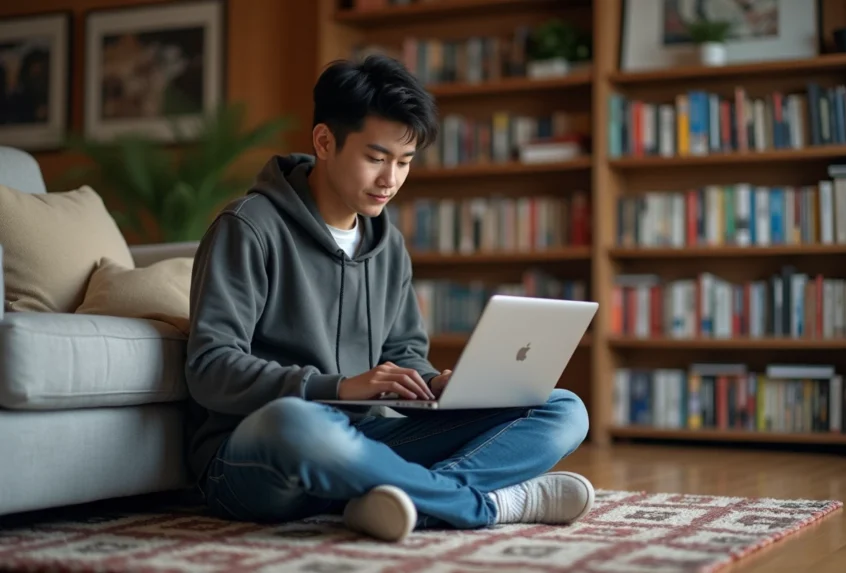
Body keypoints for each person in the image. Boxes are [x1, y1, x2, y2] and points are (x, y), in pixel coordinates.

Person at [184, 54, 594, 543]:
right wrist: (338, 388)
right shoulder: (249, 228)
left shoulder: (388, 245)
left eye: (405, 161)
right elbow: (210, 367)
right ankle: (481, 505)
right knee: (294, 421)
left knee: (562, 408)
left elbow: (403, 353)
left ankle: (396, 498)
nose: (391, 179)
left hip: (366, 443)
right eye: (377, 158)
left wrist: (433, 385)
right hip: (261, 454)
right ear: (324, 142)